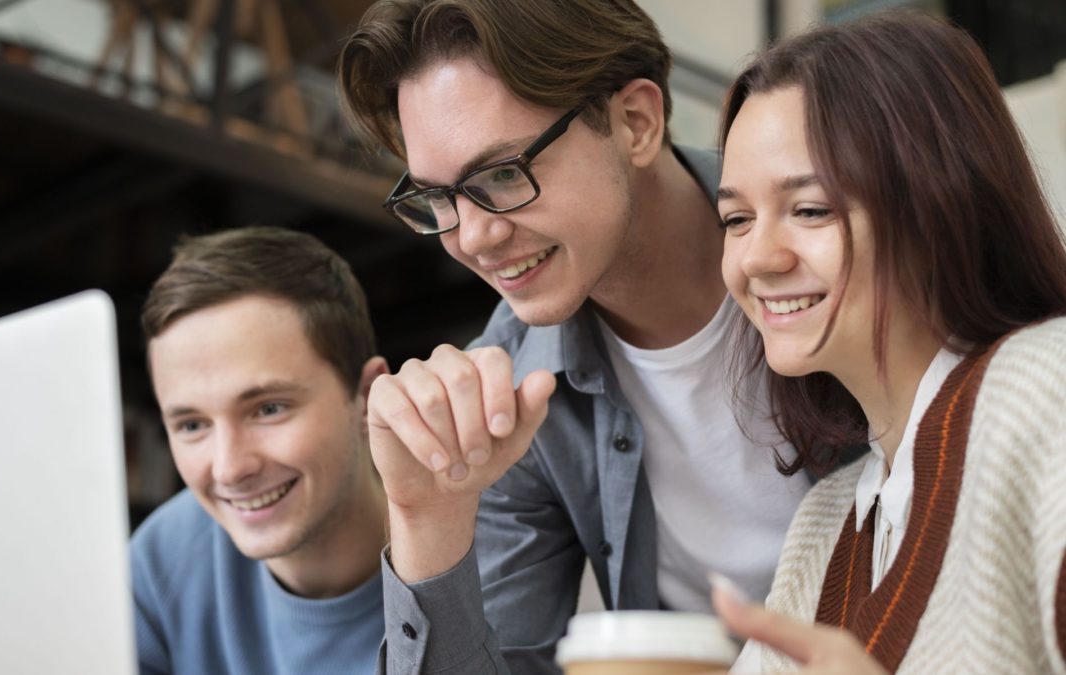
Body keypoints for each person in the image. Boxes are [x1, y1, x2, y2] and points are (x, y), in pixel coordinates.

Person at [338, 1, 817, 672]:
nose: (472, 238)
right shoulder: (509, 396)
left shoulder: (835, 235)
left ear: (635, 123)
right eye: (438, 199)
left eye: (503, 173)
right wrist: (425, 519)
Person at [708, 11, 1066, 673]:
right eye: (736, 218)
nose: (756, 257)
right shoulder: (824, 527)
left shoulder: (1047, 389)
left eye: (810, 208)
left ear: (937, 204)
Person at [130, 226, 390, 675]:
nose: (230, 469)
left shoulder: (488, 547)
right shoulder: (161, 563)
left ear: (366, 396)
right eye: (192, 425)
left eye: (268, 409)